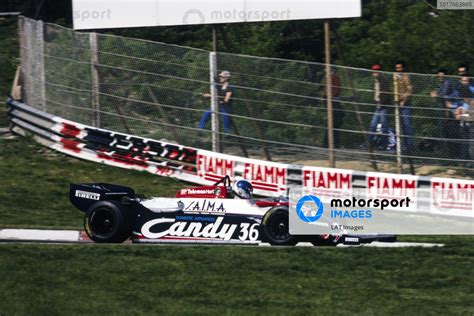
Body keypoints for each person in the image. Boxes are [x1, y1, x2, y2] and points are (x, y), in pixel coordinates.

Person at [430, 69, 454, 157]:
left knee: (446, 130)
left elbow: (444, 94)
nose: (440, 78)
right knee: (442, 130)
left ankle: (449, 153)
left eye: (442, 76)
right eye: (439, 76)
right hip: (443, 109)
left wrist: (436, 94)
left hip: (447, 110)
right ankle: (446, 152)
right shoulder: (442, 84)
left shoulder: (447, 82)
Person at [369, 64, 392, 149]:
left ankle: (384, 144)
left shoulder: (384, 81)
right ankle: (370, 143)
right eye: (374, 71)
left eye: (376, 71)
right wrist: (375, 102)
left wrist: (381, 104)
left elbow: (386, 94)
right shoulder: (376, 81)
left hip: (384, 106)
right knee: (373, 125)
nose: (375, 73)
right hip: (378, 106)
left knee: (384, 126)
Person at [394, 61, 413, 153]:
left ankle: (409, 147)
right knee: (400, 126)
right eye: (397, 68)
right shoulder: (395, 76)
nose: (398, 70)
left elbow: (410, 90)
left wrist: (404, 100)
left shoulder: (405, 76)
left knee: (407, 125)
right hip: (397, 102)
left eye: (400, 68)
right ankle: (400, 147)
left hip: (405, 104)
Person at [322, 70, 345, 148]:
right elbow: (333, 93)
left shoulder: (331, 78)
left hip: (331, 101)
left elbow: (335, 93)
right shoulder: (332, 78)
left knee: (337, 120)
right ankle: (329, 143)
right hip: (331, 101)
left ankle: (332, 143)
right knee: (334, 121)